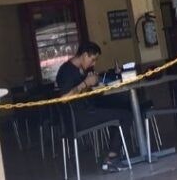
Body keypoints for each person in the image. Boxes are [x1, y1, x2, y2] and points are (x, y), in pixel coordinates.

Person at [56, 42, 134, 173]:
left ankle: (113, 155)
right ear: (84, 55)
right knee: (125, 115)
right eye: (92, 59)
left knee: (119, 105)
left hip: (85, 111)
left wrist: (93, 83)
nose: (93, 64)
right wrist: (85, 83)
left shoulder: (78, 69)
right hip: (79, 117)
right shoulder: (66, 71)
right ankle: (112, 158)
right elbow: (64, 98)